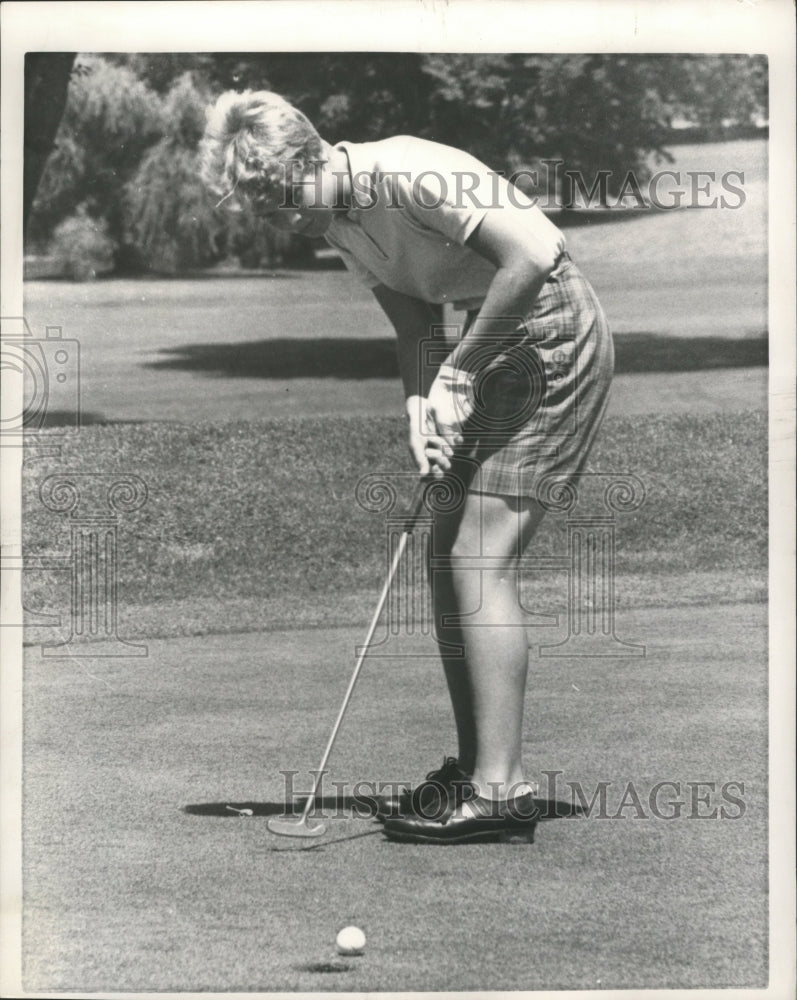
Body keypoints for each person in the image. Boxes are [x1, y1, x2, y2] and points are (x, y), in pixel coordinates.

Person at [200, 90, 614, 845]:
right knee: (442, 556)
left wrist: (456, 377)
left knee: (477, 558)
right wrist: (418, 409)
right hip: (486, 347)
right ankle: (475, 764)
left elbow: (531, 256)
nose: (281, 221)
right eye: (265, 210)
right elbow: (413, 318)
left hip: (551, 335)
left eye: (282, 199)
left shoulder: (409, 172)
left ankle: (500, 790)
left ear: (311, 157)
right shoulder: (339, 219)